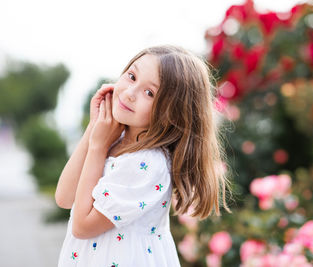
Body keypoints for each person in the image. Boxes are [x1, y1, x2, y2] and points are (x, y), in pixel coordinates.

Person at [55, 45, 233, 267]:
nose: (130, 94)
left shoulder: (148, 163)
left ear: (173, 113)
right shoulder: (115, 140)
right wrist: (94, 128)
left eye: (149, 93)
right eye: (131, 77)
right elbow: (64, 197)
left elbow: (82, 227)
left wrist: (98, 147)